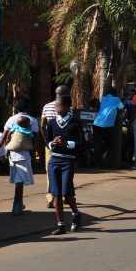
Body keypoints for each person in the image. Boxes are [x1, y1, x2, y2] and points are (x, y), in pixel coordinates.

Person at [44, 94, 82, 235]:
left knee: (67, 192)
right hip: (54, 160)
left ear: (67, 107)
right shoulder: (52, 123)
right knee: (56, 194)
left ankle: (76, 214)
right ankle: (60, 224)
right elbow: (47, 140)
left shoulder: (74, 123)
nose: (56, 108)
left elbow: (80, 142)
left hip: (67, 160)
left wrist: (67, 143)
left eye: (59, 106)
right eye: (56, 106)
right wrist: (52, 143)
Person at [0, 98, 38, 216]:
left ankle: (19, 203)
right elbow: (36, 138)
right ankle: (17, 205)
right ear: (28, 107)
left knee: (19, 179)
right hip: (25, 154)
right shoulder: (33, 120)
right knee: (20, 180)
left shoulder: (11, 120)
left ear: (16, 108)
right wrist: (37, 154)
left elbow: (3, 137)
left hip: (13, 154)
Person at [41, 86, 69, 209]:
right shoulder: (69, 108)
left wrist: (47, 141)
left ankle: (50, 197)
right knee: (65, 171)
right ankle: (64, 196)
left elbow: (42, 125)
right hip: (64, 145)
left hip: (51, 144)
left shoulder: (46, 106)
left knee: (50, 171)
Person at [93, 87, 125, 168]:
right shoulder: (117, 99)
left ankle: (97, 163)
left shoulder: (102, 98)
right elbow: (122, 108)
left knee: (97, 144)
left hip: (97, 123)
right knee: (111, 145)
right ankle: (107, 163)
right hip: (108, 125)